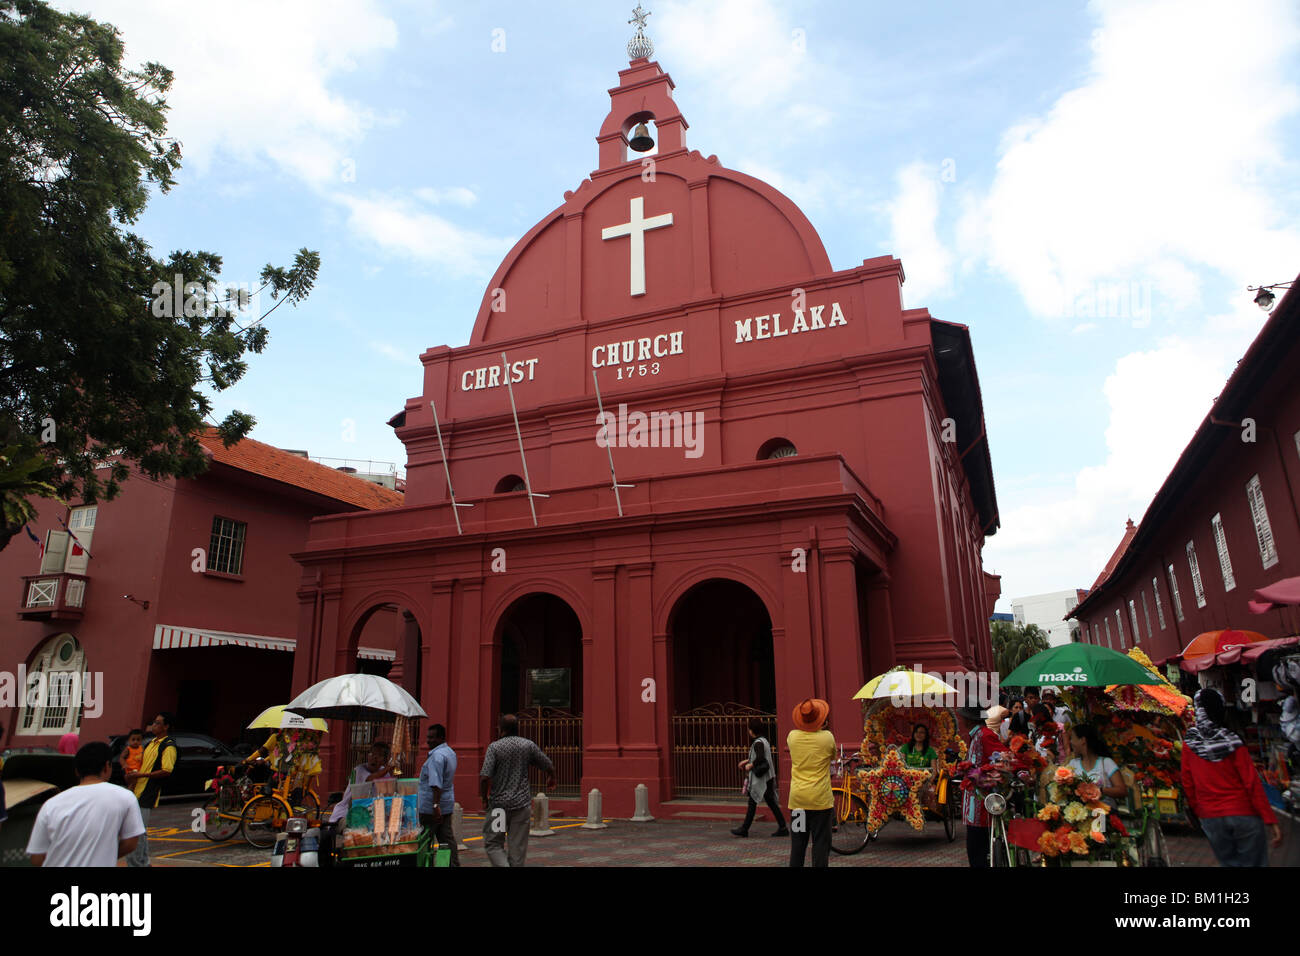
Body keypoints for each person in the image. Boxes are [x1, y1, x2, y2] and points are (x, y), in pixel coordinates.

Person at [1181, 688, 1281, 866]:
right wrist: (1269, 819)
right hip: (1243, 813)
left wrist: (1200, 813)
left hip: (1211, 817)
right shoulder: (1231, 740)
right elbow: (1252, 783)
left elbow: (1188, 784)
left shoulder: (1190, 743)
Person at [27, 741, 145, 867]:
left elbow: (37, 857)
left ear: (77, 771)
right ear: (107, 766)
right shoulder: (125, 797)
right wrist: (104, 856)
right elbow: (131, 843)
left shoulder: (51, 804)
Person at [479, 714, 554, 867]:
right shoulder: (527, 745)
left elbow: (485, 777)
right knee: (517, 848)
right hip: (521, 805)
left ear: (501, 729)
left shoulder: (495, 747)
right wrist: (552, 777)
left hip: (498, 806)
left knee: (494, 843)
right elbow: (548, 764)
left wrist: (484, 799)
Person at [787, 698, 835, 867]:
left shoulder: (792, 737)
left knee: (798, 844)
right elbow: (832, 756)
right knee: (821, 844)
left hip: (798, 801)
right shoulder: (827, 737)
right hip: (820, 801)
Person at [125, 712, 177, 867]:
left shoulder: (168, 746)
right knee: (138, 831)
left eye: (157, 723)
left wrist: (143, 775)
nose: (153, 725)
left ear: (166, 726)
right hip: (137, 789)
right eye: (153, 722)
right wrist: (133, 780)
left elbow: (166, 770)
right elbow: (141, 766)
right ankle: (143, 862)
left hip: (148, 791)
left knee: (137, 832)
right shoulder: (149, 744)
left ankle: (137, 863)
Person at [963, 705, 1009, 867]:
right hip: (975, 804)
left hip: (982, 804)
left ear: (969, 719)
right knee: (975, 849)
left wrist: (982, 775)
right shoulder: (977, 735)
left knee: (978, 850)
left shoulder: (985, 735)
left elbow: (1003, 757)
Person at [732, 717, 789, 837]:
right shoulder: (764, 741)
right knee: (770, 802)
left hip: (762, 778)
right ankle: (782, 827)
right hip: (768, 777)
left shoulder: (758, 742)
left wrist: (750, 765)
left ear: (752, 730)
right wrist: (746, 761)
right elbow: (760, 756)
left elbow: (760, 758)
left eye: (749, 729)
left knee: (753, 801)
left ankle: (744, 829)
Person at [327, 740, 396, 825]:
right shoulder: (359, 770)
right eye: (372, 753)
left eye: (379, 755)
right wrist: (388, 768)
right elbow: (370, 780)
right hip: (346, 814)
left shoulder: (384, 772)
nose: (374, 757)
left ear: (385, 760)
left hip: (369, 815)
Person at [419, 724, 459, 866]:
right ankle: (452, 864)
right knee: (446, 839)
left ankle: (425, 863)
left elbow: (436, 783)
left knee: (424, 840)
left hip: (431, 806)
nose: (428, 740)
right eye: (428, 737)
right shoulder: (450, 752)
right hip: (446, 803)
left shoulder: (437, 756)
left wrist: (435, 805)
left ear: (441, 738)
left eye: (432, 737)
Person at [1064, 722, 1127, 809]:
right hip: (1082, 816)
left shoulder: (1106, 763)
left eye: (1072, 738)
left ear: (1083, 740)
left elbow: (1122, 791)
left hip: (1105, 815)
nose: (1070, 742)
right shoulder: (1072, 764)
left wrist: (1098, 790)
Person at [899, 722, 940, 802]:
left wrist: (928, 783)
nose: (918, 734)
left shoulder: (930, 751)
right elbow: (901, 766)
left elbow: (934, 771)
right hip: (907, 779)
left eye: (922, 732)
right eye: (916, 732)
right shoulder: (906, 748)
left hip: (924, 780)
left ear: (926, 735)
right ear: (913, 734)